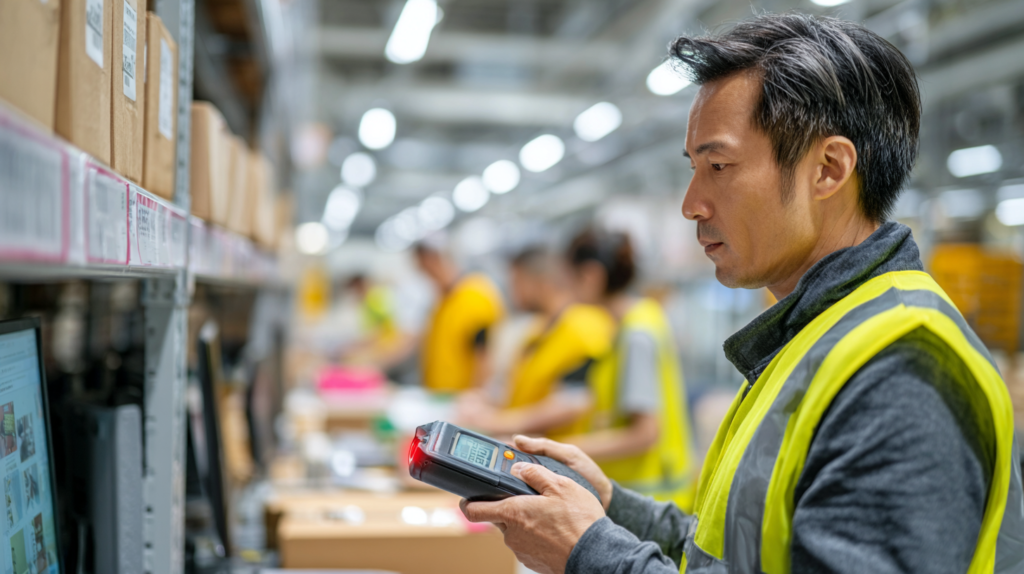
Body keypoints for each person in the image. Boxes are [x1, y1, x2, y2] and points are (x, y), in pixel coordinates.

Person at [458, 13, 1024, 574]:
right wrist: (607, 506)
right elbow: (735, 555)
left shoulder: (903, 369)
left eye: (719, 165)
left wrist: (591, 554)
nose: (691, 204)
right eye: (693, 168)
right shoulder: (813, 338)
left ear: (828, 170)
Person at [458, 246, 615, 436]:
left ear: (541, 283)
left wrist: (497, 422)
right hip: (524, 445)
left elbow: (574, 400)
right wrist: (485, 402)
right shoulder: (538, 330)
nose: (513, 292)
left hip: (560, 449)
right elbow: (522, 391)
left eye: (518, 281)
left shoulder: (585, 326)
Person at [414, 237, 504, 392]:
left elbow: (484, 355)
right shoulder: (444, 300)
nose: (426, 277)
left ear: (433, 260)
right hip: (441, 396)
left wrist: (476, 396)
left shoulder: (474, 296)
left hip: (462, 399)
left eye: (425, 269)